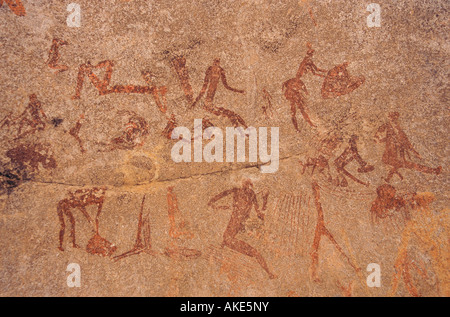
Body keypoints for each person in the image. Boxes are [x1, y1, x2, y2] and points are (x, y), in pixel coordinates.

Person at [208, 179, 276, 279]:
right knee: (252, 251)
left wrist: (265, 199)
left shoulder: (251, 194)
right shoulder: (236, 191)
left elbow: (260, 215)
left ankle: (269, 273)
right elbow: (212, 200)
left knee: (255, 252)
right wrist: (218, 207)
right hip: (231, 235)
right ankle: (269, 273)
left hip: (238, 231)